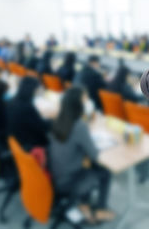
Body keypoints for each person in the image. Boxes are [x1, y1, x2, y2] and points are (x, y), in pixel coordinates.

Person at [48, 87, 115, 224]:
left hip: (56, 174)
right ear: (78, 104)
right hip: (70, 181)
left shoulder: (59, 118)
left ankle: (84, 202)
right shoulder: (79, 126)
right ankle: (100, 210)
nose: (87, 103)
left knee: (89, 165)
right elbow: (94, 155)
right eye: (85, 100)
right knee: (105, 172)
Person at [6, 77, 49, 151]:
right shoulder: (26, 107)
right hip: (31, 144)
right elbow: (41, 127)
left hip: (19, 140)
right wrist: (53, 121)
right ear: (31, 90)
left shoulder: (12, 101)